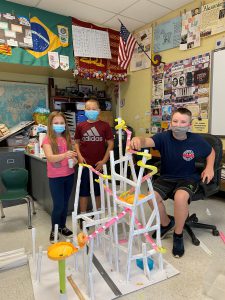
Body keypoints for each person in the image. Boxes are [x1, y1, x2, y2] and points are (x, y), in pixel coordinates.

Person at [130, 107, 215, 258]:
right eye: (175, 121)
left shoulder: (196, 139)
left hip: (188, 177)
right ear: (170, 122)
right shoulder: (163, 137)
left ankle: (178, 234)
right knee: (151, 196)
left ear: (189, 124)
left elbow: (211, 152)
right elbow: (146, 141)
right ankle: (166, 223)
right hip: (167, 177)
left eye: (183, 122)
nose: (178, 124)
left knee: (180, 198)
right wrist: (137, 140)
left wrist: (209, 167)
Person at [75, 98, 114, 222]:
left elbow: (111, 144)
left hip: (99, 165)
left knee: (98, 191)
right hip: (85, 165)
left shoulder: (105, 125)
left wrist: (104, 161)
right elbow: (76, 143)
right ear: (84, 110)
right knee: (84, 190)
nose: (91, 111)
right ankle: (83, 215)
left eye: (94, 109)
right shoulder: (80, 126)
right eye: (88, 109)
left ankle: (97, 214)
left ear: (99, 110)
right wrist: (79, 156)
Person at [42, 111, 77, 243]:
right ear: (50, 125)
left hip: (69, 176)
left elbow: (73, 156)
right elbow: (50, 158)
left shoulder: (68, 139)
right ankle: (54, 230)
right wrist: (65, 155)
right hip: (55, 178)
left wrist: (74, 160)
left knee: (65, 203)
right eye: (56, 123)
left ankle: (62, 227)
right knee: (58, 205)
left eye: (62, 123)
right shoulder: (47, 140)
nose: (59, 125)